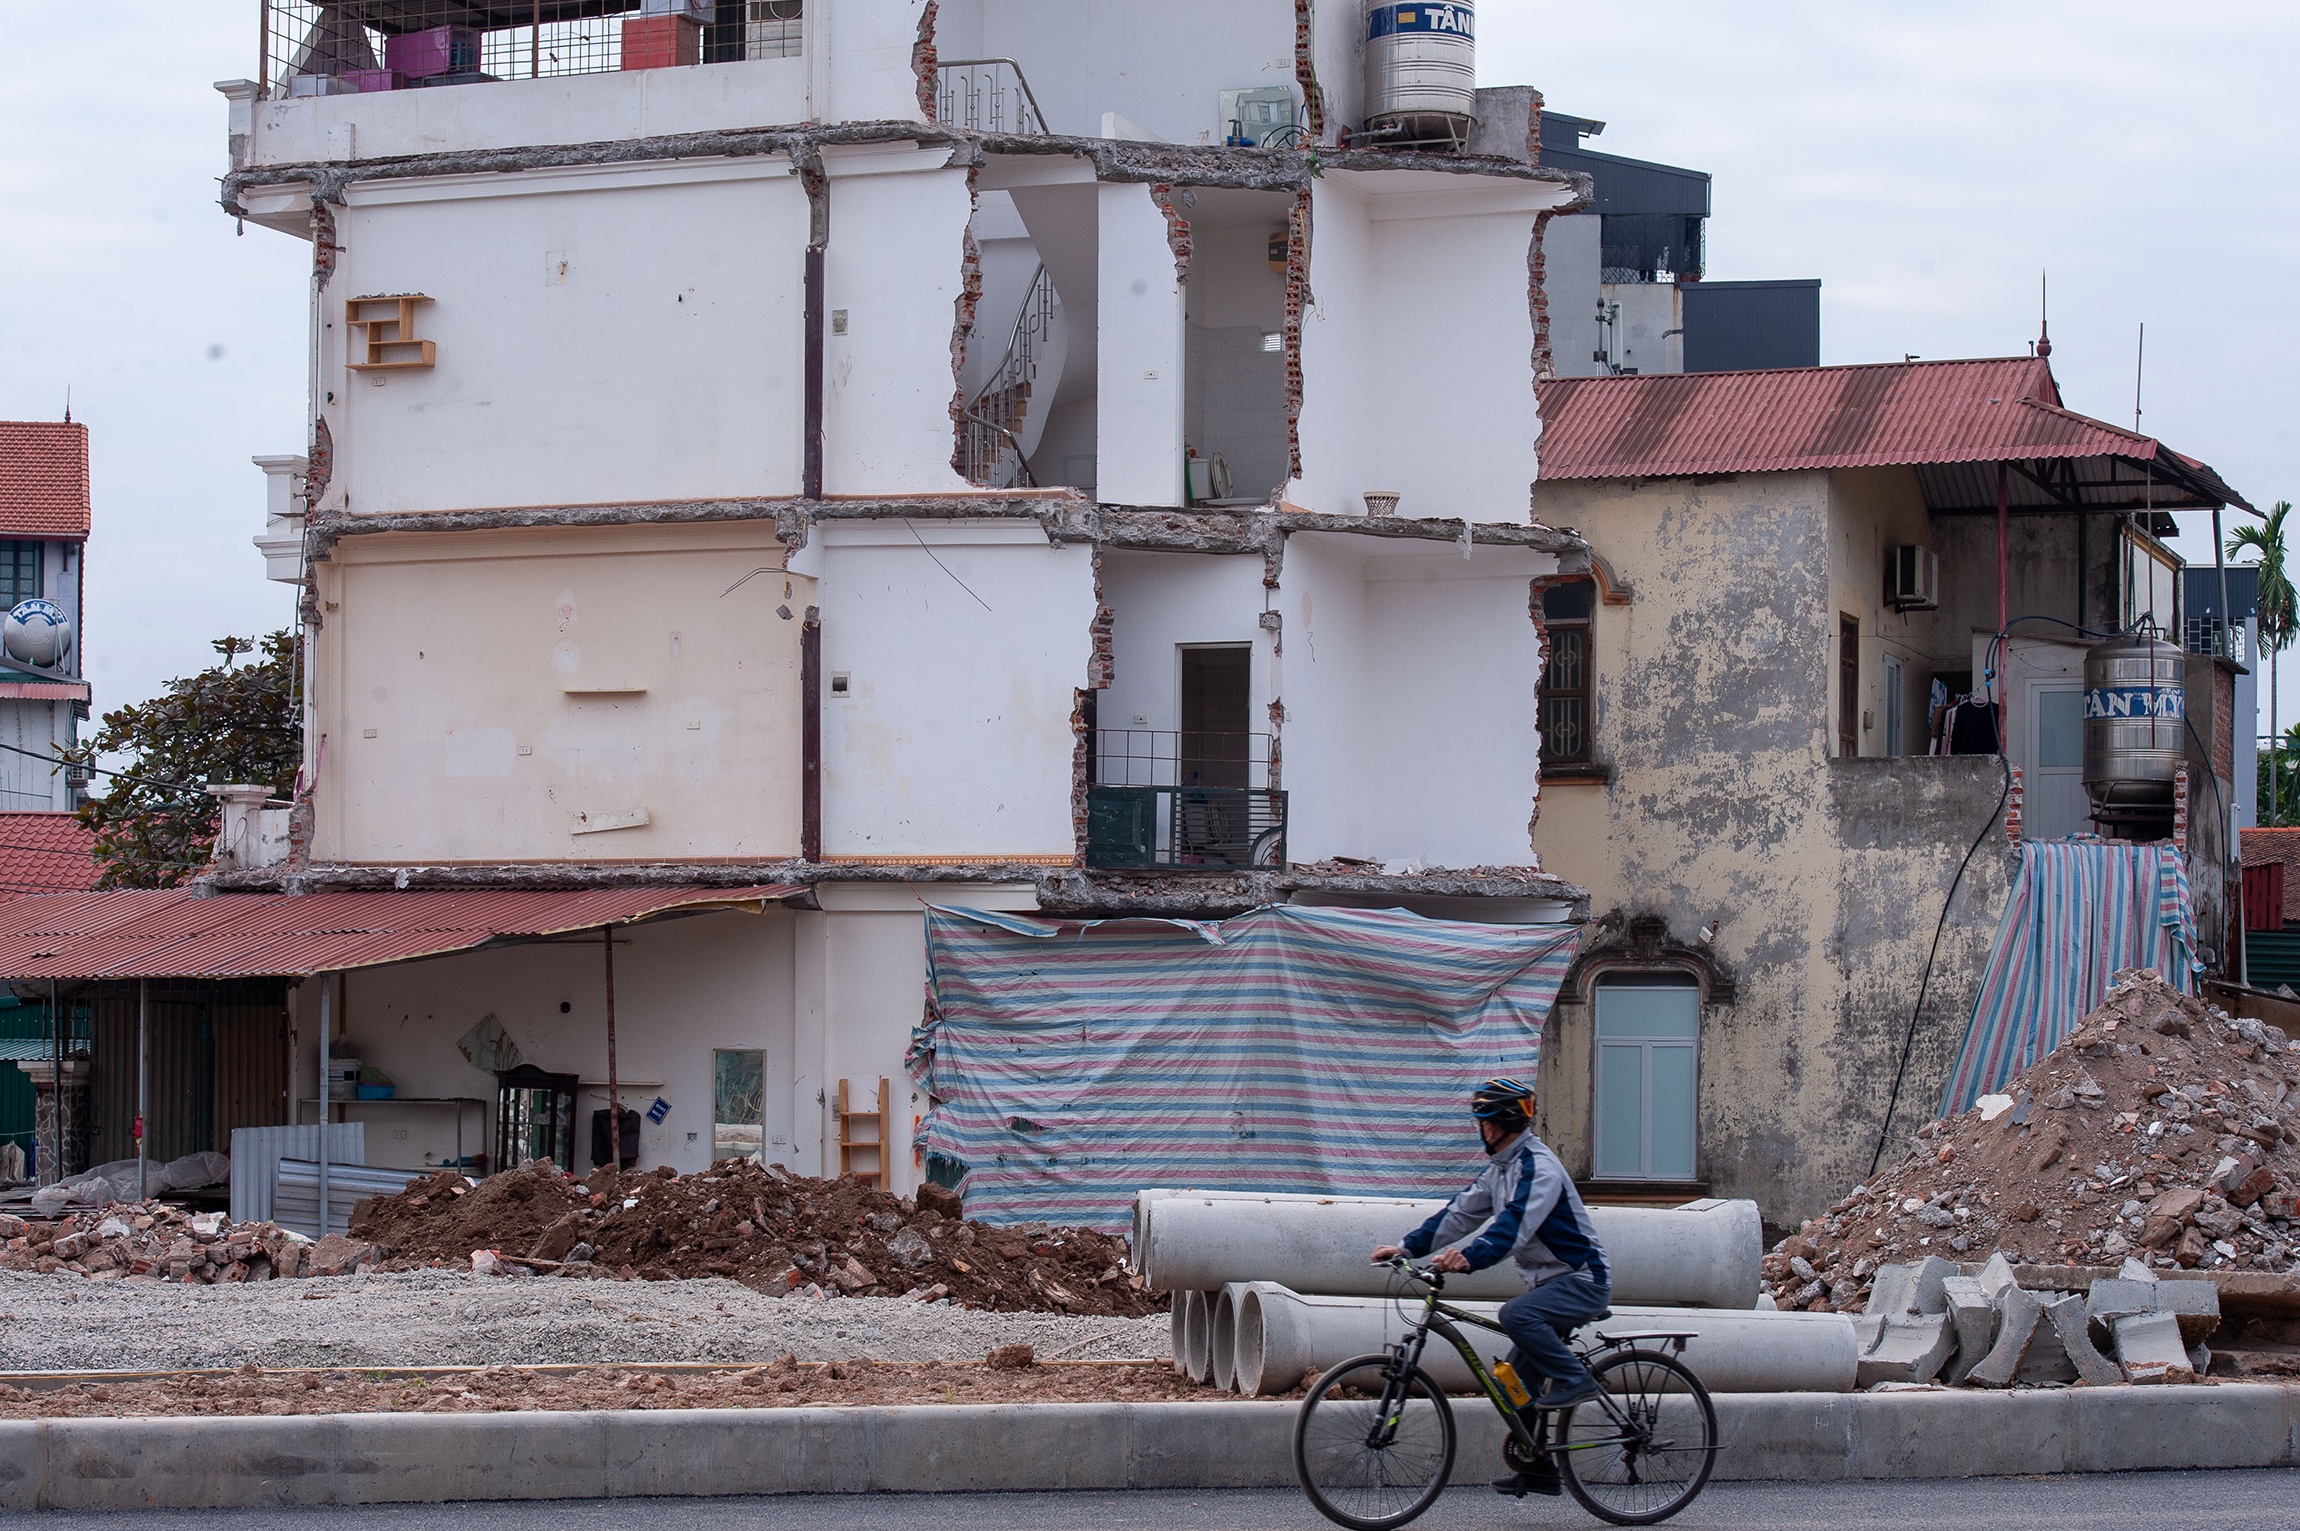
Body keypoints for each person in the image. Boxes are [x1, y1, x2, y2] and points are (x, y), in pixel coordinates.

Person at [1370, 1076, 1611, 1499]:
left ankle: (1577, 1379)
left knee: (1516, 1315)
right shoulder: (1501, 1169)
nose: (1480, 1130)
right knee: (1509, 1381)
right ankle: (1539, 1469)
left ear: (1503, 1122)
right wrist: (1406, 1246)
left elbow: (1514, 1226)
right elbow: (1459, 1213)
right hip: (1548, 1285)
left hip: (1581, 1280)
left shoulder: (1539, 1168)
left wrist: (1470, 1257)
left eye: (1485, 1122)